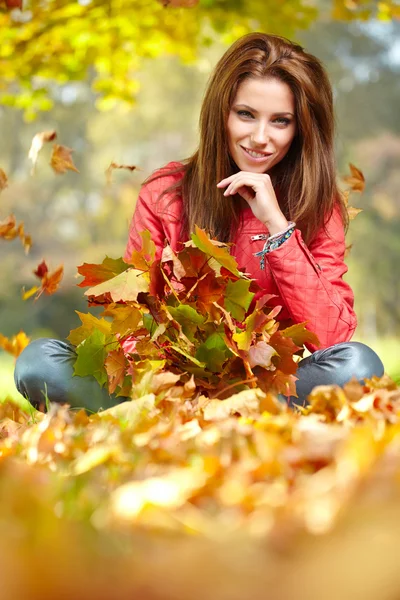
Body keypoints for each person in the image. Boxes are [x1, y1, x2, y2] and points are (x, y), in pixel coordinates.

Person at [14, 32, 384, 413]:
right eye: (245, 114)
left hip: (265, 385)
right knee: (39, 362)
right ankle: (193, 412)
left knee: (358, 365)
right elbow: (135, 315)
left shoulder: (319, 206)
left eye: (280, 121)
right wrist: (169, 378)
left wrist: (278, 227)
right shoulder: (165, 194)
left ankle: (229, 411)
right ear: (220, 113)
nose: (259, 137)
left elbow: (333, 336)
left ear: (301, 129)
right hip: (166, 384)